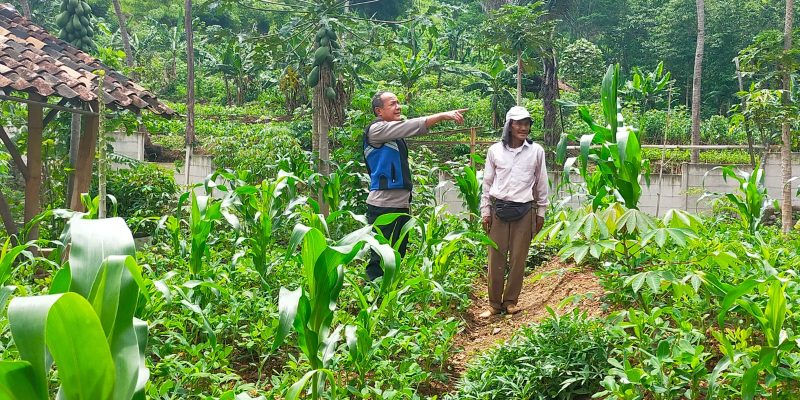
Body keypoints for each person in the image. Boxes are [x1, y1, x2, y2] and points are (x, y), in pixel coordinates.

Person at [364, 91, 467, 281]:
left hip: (400, 203)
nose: (398, 107)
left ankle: (390, 295)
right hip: (383, 205)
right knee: (380, 257)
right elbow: (412, 126)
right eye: (393, 104)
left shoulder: (393, 133)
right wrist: (443, 115)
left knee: (397, 253)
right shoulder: (377, 130)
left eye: (398, 103)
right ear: (379, 111)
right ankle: (373, 300)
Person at [478, 106, 548, 317]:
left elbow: (541, 183)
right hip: (499, 209)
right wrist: (485, 210)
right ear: (509, 126)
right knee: (495, 258)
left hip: (524, 210)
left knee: (518, 258)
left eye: (526, 123)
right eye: (518, 123)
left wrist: (541, 212)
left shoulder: (536, 151)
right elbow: (487, 183)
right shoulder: (495, 151)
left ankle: (510, 302)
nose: (523, 128)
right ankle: (493, 304)